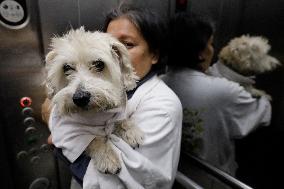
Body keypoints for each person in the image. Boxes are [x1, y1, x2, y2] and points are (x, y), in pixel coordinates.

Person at [42, 4, 182, 189]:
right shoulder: (119, 91)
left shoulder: (162, 105)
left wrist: (60, 142)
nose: (115, 52)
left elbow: (121, 182)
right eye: (107, 43)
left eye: (127, 44)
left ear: (154, 54)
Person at [162, 12, 271, 176]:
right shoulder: (225, 91)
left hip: (174, 174)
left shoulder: (159, 83)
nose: (213, 49)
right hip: (212, 179)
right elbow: (263, 112)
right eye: (211, 43)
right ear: (200, 52)